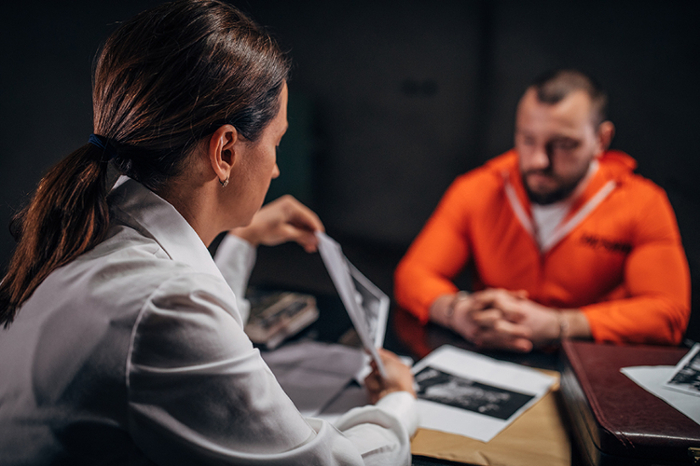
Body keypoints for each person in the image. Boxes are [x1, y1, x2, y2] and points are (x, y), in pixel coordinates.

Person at [0, 1, 417, 464]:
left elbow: (200, 333)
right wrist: (398, 403)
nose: (277, 169)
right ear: (224, 151)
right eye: (276, 142)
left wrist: (243, 240)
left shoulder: (92, 232)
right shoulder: (166, 306)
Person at [395, 69, 690, 352]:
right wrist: (458, 311)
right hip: (493, 357)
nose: (538, 161)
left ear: (601, 140)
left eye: (563, 144)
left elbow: (668, 312)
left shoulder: (642, 203)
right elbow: (413, 274)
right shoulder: (477, 190)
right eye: (527, 139)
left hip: (590, 369)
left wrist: (559, 325)